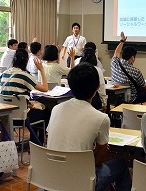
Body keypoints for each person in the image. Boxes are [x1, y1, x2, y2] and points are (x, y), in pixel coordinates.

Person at [47, 63, 132, 191]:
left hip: (51, 177)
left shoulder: (56, 109)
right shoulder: (101, 118)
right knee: (121, 165)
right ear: (98, 87)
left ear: (69, 85)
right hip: (81, 182)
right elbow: (100, 159)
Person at [0, 49, 51, 145]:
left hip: (6, 117)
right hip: (22, 118)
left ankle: (35, 142)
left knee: (35, 111)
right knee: (46, 112)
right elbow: (45, 88)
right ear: (26, 61)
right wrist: (41, 70)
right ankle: (37, 143)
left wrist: (26, 103)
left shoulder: (5, 74)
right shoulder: (24, 76)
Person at [110, 31, 146, 103]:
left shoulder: (114, 63)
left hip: (115, 100)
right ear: (132, 58)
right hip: (132, 99)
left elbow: (116, 52)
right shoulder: (136, 71)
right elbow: (144, 87)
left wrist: (122, 41)